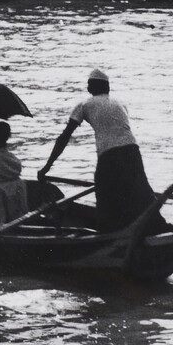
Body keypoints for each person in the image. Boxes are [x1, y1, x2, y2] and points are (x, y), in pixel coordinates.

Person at [39, 68, 155, 232]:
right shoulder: (120, 104)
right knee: (141, 192)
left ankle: (105, 233)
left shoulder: (84, 104)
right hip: (133, 151)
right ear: (107, 88)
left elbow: (64, 137)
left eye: (88, 85)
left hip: (109, 154)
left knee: (105, 196)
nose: (87, 88)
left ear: (91, 87)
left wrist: (47, 166)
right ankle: (152, 225)